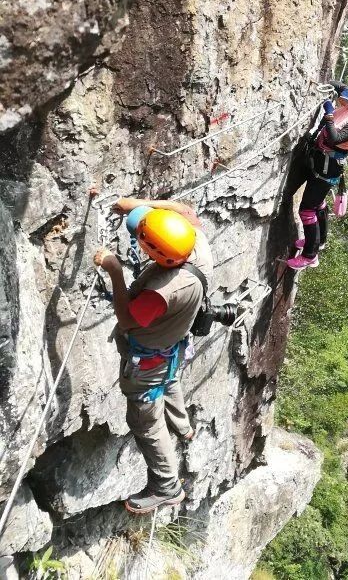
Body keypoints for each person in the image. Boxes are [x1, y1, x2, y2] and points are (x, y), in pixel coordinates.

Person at [94, 196, 214, 514]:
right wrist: (134, 204)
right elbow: (185, 210)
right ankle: (183, 427)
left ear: (159, 253)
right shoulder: (195, 246)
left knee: (145, 422)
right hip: (172, 343)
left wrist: (115, 271)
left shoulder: (164, 291)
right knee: (171, 375)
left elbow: (127, 318)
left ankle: (166, 487)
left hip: (147, 362)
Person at [284, 67, 348, 269]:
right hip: (321, 160)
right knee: (318, 204)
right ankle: (319, 241)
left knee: (307, 210)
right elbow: (338, 85)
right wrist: (339, 89)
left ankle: (310, 255)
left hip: (328, 166)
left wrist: (329, 114)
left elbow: (335, 138)